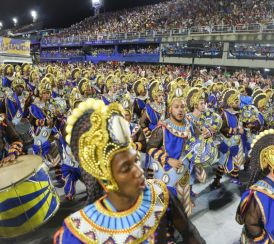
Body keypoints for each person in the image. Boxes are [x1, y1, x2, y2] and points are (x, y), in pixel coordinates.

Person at [54, 99, 205, 244]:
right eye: (126, 168)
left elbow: (191, 235)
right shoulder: (78, 231)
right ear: (105, 178)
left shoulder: (162, 196)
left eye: (136, 160)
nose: (139, 171)